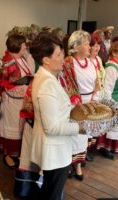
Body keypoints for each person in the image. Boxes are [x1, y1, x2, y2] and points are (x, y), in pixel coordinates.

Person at [29, 33, 86, 200]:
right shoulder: (47, 83)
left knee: (50, 192)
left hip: (54, 148)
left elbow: (56, 109)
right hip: (54, 151)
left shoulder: (46, 77)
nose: (63, 58)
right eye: (59, 54)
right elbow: (52, 127)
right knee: (52, 194)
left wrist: (76, 108)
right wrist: (80, 128)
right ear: (46, 60)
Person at [63, 30, 94, 179]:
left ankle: (78, 164)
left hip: (89, 103)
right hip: (74, 103)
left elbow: (97, 83)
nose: (90, 46)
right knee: (73, 133)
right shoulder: (68, 62)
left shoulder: (92, 62)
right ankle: (68, 163)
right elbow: (64, 85)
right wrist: (75, 103)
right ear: (77, 46)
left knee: (83, 134)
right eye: (87, 43)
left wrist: (94, 99)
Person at [0, 34, 33, 168]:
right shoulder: (9, 60)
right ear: (18, 45)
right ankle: (8, 155)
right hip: (12, 102)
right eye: (23, 44)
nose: (25, 46)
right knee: (12, 130)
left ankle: (18, 153)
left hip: (21, 101)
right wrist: (29, 80)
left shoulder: (20, 58)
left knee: (20, 129)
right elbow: (11, 80)